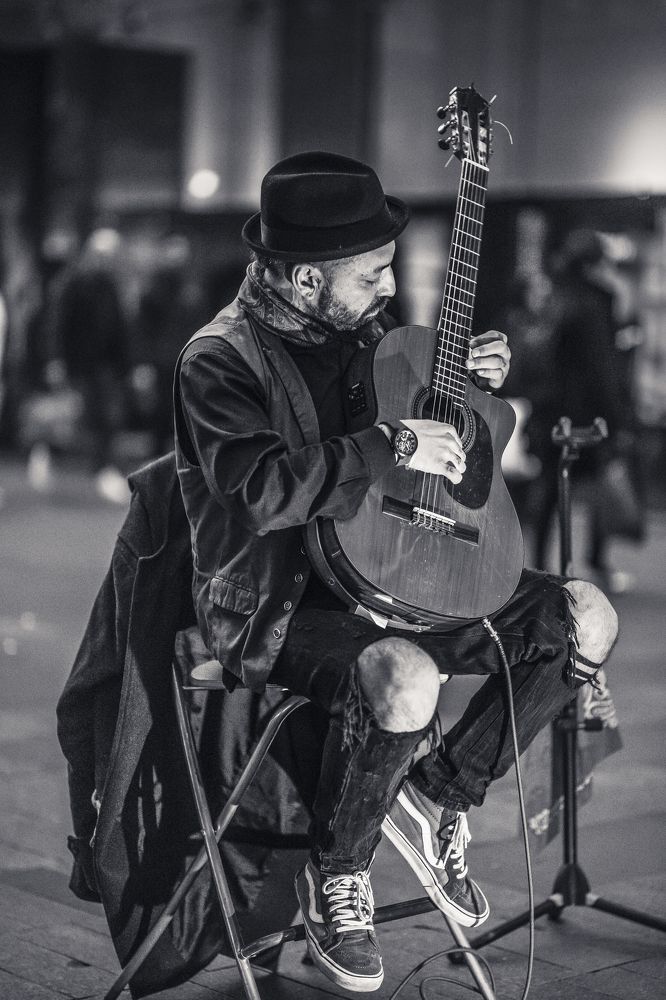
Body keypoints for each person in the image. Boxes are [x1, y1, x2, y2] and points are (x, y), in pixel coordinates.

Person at [174, 153, 618, 993]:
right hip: (276, 600)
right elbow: (263, 493)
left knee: (585, 615)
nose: (388, 287)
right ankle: (337, 871)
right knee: (405, 676)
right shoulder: (219, 360)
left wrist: (463, 388)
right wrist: (395, 442)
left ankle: (442, 790)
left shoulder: (363, 330)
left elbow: (434, 444)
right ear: (307, 278)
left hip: (400, 570)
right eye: (371, 273)